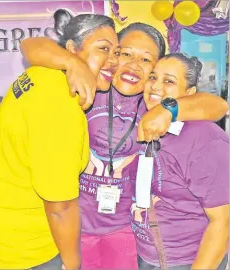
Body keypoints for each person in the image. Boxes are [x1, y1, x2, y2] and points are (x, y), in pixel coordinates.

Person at [20, 23, 229, 269]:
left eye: (145, 59)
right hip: (72, 223)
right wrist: (72, 63)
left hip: (125, 230)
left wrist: (170, 109)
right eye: (125, 54)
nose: (133, 65)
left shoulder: (150, 102)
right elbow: (30, 45)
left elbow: (218, 106)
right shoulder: (92, 85)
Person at [0, 10, 120, 270]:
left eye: (117, 52)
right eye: (103, 48)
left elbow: (31, 45)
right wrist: (72, 263)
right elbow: (59, 206)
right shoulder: (60, 105)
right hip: (27, 249)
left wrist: (73, 64)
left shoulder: (43, 74)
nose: (113, 60)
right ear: (72, 49)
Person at [132, 53, 229, 270]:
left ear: (190, 94)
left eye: (169, 81)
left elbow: (222, 223)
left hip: (186, 261)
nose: (156, 86)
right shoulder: (143, 119)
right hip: (146, 254)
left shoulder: (204, 139)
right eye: (153, 78)